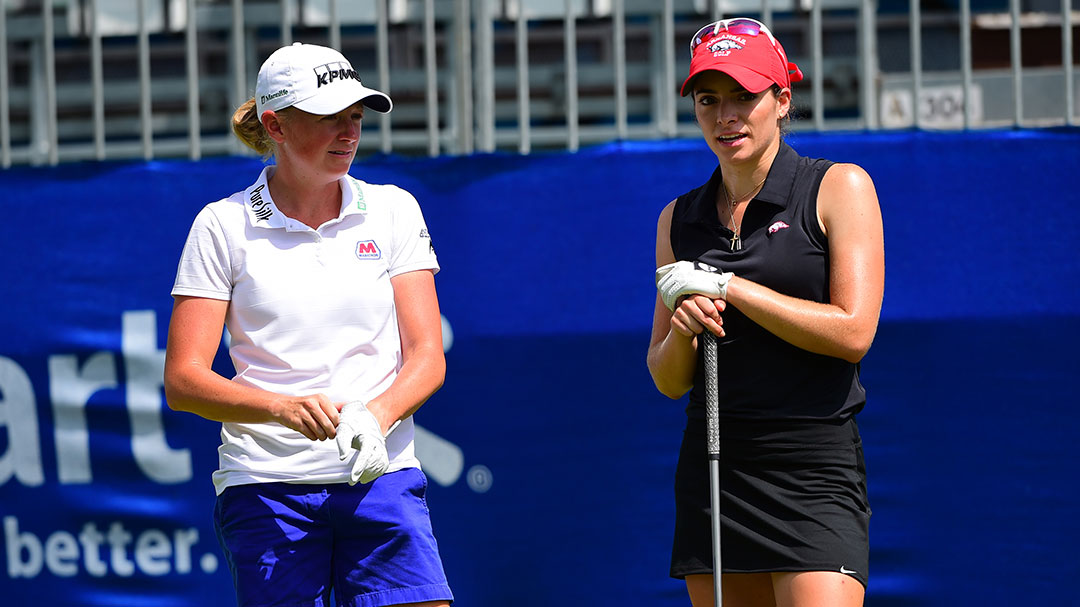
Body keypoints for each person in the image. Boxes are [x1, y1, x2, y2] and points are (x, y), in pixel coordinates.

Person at [163, 42, 453, 607]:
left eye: (356, 117)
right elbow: (184, 380)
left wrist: (374, 418)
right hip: (266, 489)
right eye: (329, 119)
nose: (349, 133)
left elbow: (427, 357)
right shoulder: (221, 225)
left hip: (381, 476)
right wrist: (281, 408)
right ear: (276, 124)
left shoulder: (395, 209)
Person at [647, 18, 884, 607]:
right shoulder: (678, 218)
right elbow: (667, 378)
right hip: (715, 470)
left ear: (781, 100)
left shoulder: (839, 187)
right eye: (709, 100)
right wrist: (683, 325)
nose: (726, 116)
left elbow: (854, 332)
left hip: (813, 469)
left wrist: (730, 288)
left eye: (744, 97)